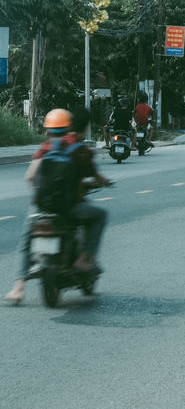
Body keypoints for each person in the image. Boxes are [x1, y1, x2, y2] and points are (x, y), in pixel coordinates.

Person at [4, 108, 110, 304]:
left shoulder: (45, 148)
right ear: (69, 127)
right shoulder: (81, 150)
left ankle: (18, 287)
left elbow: (29, 177)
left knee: (26, 242)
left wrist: (41, 198)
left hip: (42, 208)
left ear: (47, 130)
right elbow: (95, 177)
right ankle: (85, 258)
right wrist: (104, 182)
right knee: (100, 215)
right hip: (69, 209)